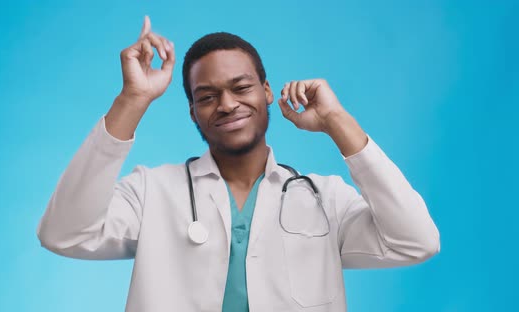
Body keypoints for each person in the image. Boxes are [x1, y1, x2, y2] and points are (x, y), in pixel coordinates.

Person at [37, 16, 440, 312]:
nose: (227, 104)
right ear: (193, 112)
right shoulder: (151, 192)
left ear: (266, 91)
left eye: (241, 87)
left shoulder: (325, 199)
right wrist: (133, 99)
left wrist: (337, 121)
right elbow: (64, 234)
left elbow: (416, 241)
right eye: (207, 96)